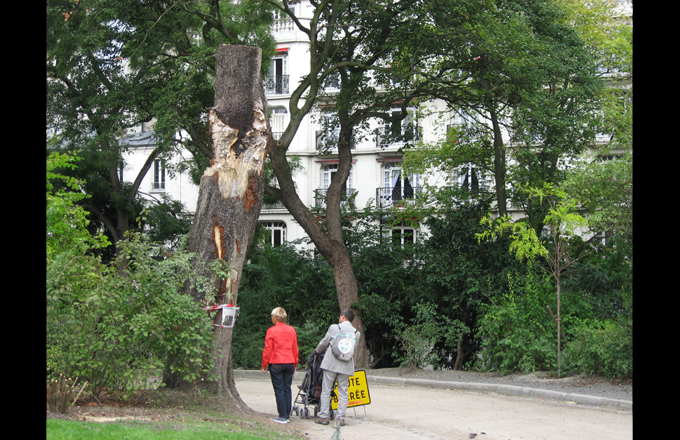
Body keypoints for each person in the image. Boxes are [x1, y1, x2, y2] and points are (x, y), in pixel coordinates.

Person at [313, 309, 361, 426]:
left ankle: (324, 417)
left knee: (326, 390)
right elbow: (353, 348)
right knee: (343, 392)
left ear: (343, 316)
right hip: (346, 365)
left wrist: (317, 350)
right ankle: (340, 418)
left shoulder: (335, 327)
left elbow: (324, 342)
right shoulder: (356, 333)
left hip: (331, 363)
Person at [262, 307, 299, 424]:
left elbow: (268, 349)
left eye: (272, 316)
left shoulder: (271, 331)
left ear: (276, 318)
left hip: (276, 362)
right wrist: (295, 363)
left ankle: (283, 416)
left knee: (279, 389)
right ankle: (287, 413)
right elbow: (295, 348)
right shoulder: (291, 330)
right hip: (289, 362)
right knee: (287, 388)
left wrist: (264, 364)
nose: (271, 318)